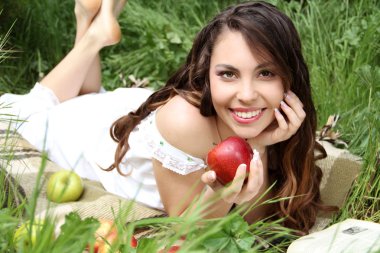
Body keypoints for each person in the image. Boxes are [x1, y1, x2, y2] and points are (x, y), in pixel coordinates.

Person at [0, 0, 334, 234]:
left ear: (290, 78)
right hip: (89, 133)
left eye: (265, 73)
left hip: (128, 110)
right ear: (207, 76)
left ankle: (91, 30)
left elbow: (265, 219)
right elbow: (190, 232)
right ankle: (92, 36)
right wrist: (244, 167)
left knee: (85, 95)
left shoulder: (273, 122)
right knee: (25, 112)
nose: (247, 93)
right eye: (228, 74)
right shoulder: (184, 124)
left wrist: (260, 144)